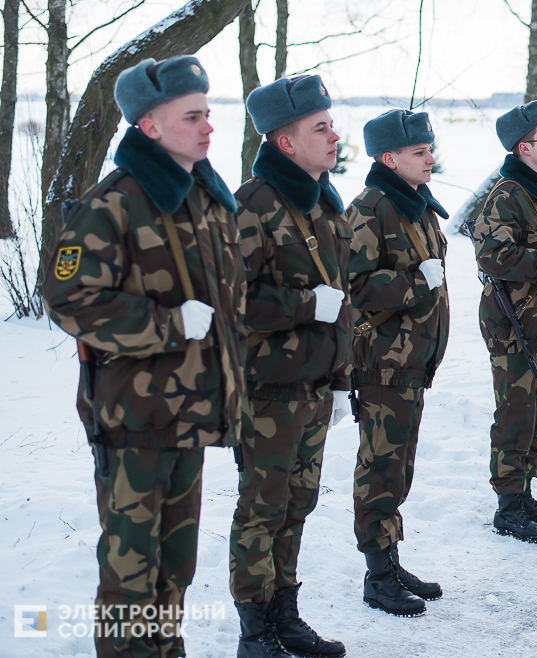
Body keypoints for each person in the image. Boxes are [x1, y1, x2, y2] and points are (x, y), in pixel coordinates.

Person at [43, 56, 246, 657]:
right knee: (131, 577)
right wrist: (166, 325)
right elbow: (68, 299)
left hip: (191, 417)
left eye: (208, 113)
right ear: (150, 127)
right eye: (192, 116)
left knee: (175, 570)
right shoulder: (113, 205)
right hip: (134, 424)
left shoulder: (206, 201)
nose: (208, 126)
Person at [229, 75, 350, 657]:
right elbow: (231, 300)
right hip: (267, 390)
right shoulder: (251, 204)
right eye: (320, 128)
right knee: (263, 508)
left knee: (298, 504)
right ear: (286, 143)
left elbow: (342, 294)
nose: (334, 137)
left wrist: (342, 374)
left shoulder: (325, 200)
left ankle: (285, 614)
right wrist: (304, 306)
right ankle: (255, 633)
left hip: (314, 386)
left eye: (331, 124)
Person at [346, 109, 449, 617]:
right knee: (380, 469)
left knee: (398, 467)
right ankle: (377, 576)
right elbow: (356, 287)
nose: (431, 158)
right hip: (383, 363)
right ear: (390, 159)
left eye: (429, 149)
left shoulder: (416, 205)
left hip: (410, 362)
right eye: (419, 152)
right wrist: (417, 283)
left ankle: (389, 559)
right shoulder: (372, 207)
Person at [472, 101, 537, 542]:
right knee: (516, 414)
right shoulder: (508, 193)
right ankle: (508, 503)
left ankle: (525, 490)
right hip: (512, 325)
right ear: (523, 147)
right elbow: (492, 256)